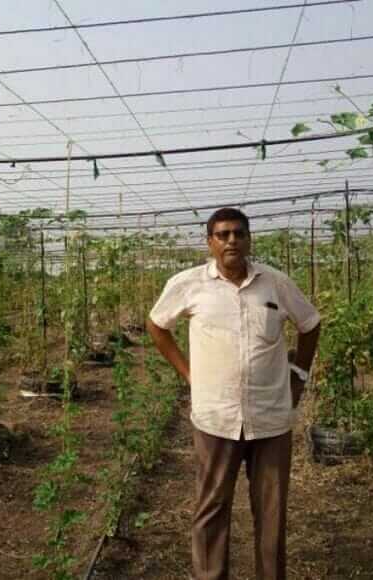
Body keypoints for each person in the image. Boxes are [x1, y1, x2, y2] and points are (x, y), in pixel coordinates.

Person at [146, 207, 321, 580]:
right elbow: (157, 325)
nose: (231, 241)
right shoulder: (190, 284)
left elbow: (310, 323)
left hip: (270, 417)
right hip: (215, 418)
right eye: (222, 234)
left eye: (239, 234)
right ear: (209, 242)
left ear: (249, 239)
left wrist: (298, 376)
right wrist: (188, 373)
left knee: (271, 515)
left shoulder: (275, 283)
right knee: (210, 509)